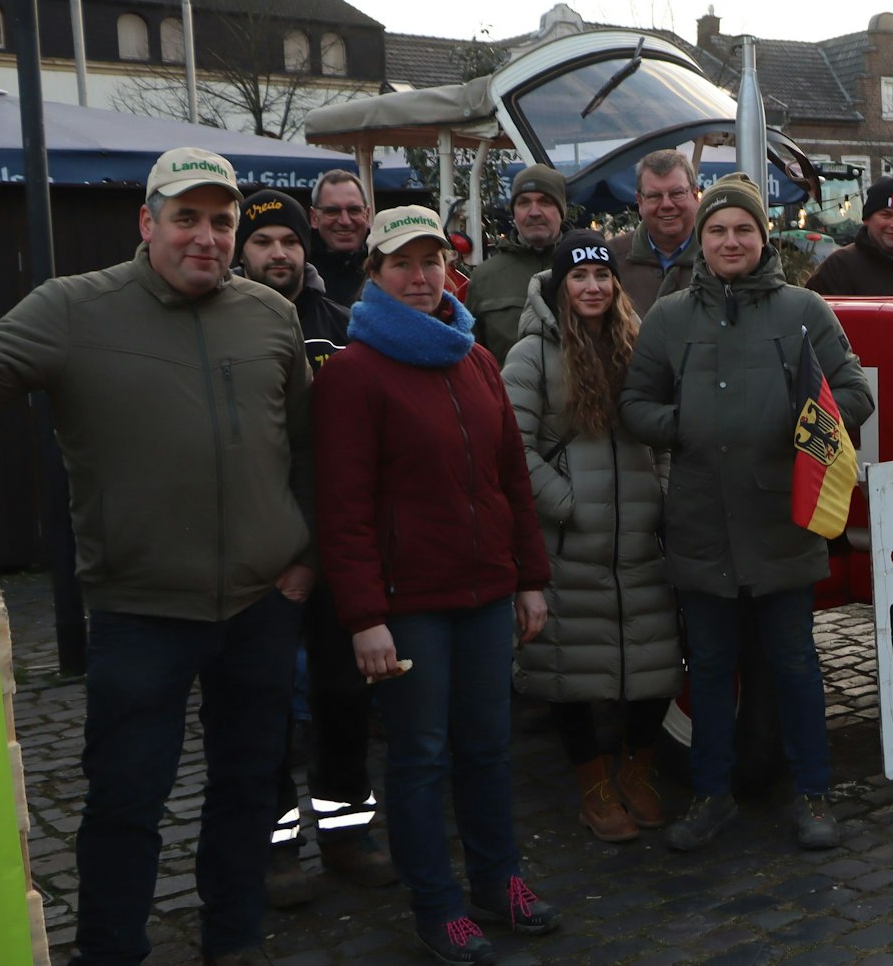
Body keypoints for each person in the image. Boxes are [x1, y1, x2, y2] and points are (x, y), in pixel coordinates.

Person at [0, 148, 313, 966]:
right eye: (185, 217)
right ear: (146, 222)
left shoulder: (270, 315)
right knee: (125, 802)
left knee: (248, 788)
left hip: (261, 604)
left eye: (221, 221)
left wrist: (306, 561)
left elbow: (304, 445)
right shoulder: (73, 309)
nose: (206, 237)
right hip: (141, 613)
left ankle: (233, 938)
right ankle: (111, 952)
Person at [314, 205, 560, 964]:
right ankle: (438, 903)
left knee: (487, 747)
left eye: (430, 262)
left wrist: (529, 578)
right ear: (375, 275)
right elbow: (342, 508)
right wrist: (364, 617)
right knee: (420, 756)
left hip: (486, 593)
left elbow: (510, 480)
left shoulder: (474, 358)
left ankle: (498, 880)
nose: (419, 278)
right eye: (401, 264)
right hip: (408, 605)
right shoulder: (354, 374)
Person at [622, 173, 874, 853]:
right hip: (701, 518)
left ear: (763, 238)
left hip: (783, 520)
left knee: (794, 663)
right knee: (707, 667)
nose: (731, 240)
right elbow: (635, 404)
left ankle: (813, 792)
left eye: (743, 229)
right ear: (701, 241)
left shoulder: (803, 310)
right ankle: (712, 794)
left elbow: (853, 392)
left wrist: (806, 424)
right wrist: (688, 422)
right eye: (718, 230)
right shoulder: (670, 318)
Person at [232, 188, 396, 906]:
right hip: (251, 565)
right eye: (264, 242)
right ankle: (272, 850)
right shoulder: (224, 328)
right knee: (261, 710)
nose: (279, 254)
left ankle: (345, 832)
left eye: (290, 243)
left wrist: (320, 558)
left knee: (342, 702)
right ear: (243, 250)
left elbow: (354, 453)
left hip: (330, 558)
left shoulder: (341, 327)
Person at [502, 232, 681, 842]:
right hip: (570, 544)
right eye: (579, 278)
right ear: (559, 286)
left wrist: (656, 497)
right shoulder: (531, 355)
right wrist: (569, 505)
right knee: (571, 671)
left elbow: (658, 436)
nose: (593, 287)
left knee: (653, 663)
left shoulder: (639, 345)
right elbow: (512, 450)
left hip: (638, 542)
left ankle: (637, 769)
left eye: (602, 276)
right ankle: (594, 784)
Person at [468, 164, 569, 364]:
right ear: (513, 212)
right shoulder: (485, 278)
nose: (534, 212)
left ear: (562, 210)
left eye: (545, 202)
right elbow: (472, 361)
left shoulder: (587, 267)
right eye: (523, 203)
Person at [607, 149, 701, 316]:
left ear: (695, 195)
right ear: (640, 201)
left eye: (677, 193)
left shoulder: (718, 256)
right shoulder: (611, 260)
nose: (666, 205)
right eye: (655, 196)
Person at [309, 167, 373, 306]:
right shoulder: (298, 268)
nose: (345, 221)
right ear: (314, 218)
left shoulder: (384, 263)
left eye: (354, 210)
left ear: (367, 215)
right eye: (332, 211)